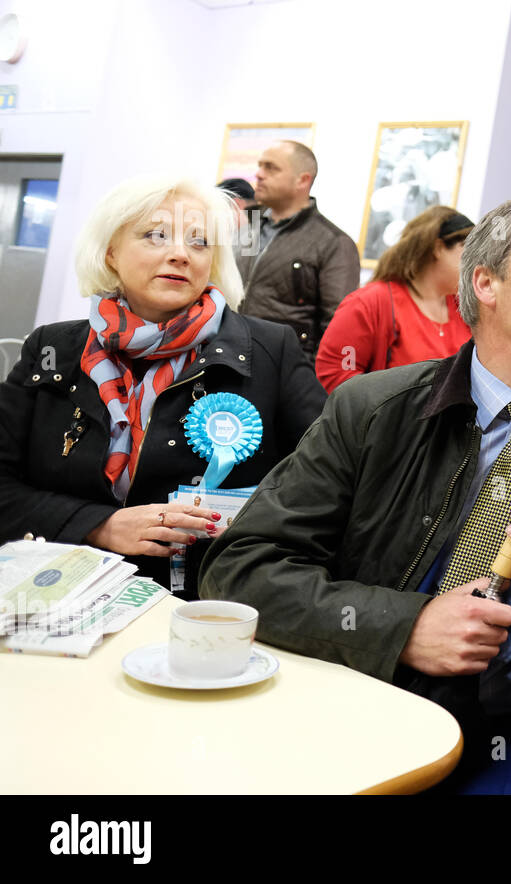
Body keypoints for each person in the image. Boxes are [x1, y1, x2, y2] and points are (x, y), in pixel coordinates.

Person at [200, 192, 511, 794]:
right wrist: (406, 627)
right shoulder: (372, 411)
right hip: (370, 706)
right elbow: (238, 570)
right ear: (487, 284)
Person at [0, 175, 326, 599]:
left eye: (199, 242)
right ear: (111, 252)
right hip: (60, 592)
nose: (180, 254)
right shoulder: (52, 348)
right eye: (156, 235)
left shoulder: (270, 349)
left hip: (207, 602)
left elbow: (321, 486)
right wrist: (99, 524)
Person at [315, 206, 474, 393]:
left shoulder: (463, 308)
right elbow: (335, 373)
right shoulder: (369, 303)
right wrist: (390, 412)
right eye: (469, 252)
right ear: (438, 248)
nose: (476, 265)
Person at [237, 141, 360, 357]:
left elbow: (338, 328)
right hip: (226, 356)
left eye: (271, 168)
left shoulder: (333, 242)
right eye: (260, 166)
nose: (259, 174)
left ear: (302, 180)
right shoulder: (245, 224)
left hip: (284, 369)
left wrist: (307, 378)